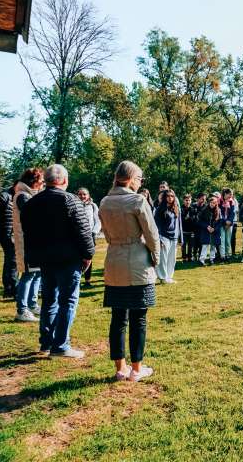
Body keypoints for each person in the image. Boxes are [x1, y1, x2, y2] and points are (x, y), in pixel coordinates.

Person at [21, 164, 95, 358]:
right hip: (68, 259)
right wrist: (88, 255)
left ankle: (47, 342)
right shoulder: (71, 201)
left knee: (49, 300)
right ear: (64, 180)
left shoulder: (32, 203)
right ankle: (61, 345)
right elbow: (84, 231)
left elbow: (28, 233)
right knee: (68, 300)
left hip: (45, 259)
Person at [99, 161, 160, 381]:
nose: (141, 182)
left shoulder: (104, 202)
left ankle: (120, 368)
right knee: (138, 318)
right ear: (131, 178)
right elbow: (152, 235)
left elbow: (106, 234)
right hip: (137, 262)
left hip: (114, 260)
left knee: (118, 318)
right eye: (140, 178)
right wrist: (156, 258)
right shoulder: (137, 200)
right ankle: (136, 368)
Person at [13, 169, 44, 322]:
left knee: (37, 273)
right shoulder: (23, 196)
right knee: (27, 274)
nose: (43, 183)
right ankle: (22, 310)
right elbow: (33, 216)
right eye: (41, 180)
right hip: (27, 242)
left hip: (35, 241)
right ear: (33, 181)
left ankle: (32, 304)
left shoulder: (30, 195)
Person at [153, 189, 182, 284]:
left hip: (173, 237)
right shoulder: (159, 209)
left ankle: (169, 277)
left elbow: (178, 224)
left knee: (172, 259)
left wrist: (179, 237)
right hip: (163, 236)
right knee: (163, 258)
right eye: (168, 196)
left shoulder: (175, 208)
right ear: (165, 197)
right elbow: (156, 226)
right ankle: (162, 277)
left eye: (172, 196)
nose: (170, 198)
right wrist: (158, 239)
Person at [76, 188, 101, 289]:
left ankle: (87, 281)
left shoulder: (93, 206)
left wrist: (94, 232)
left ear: (88, 195)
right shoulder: (74, 205)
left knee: (88, 258)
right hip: (77, 237)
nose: (82, 196)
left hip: (90, 236)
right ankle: (76, 280)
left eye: (84, 194)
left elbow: (98, 221)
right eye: (80, 194)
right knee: (77, 259)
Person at [0, 182, 17, 299]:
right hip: (5, 233)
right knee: (12, 261)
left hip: (10, 233)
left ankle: (9, 289)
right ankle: (10, 289)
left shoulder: (15, 197)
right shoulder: (5, 196)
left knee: (11, 260)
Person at [198, 196, 222, 266]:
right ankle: (202, 260)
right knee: (205, 245)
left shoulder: (218, 210)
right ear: (209, 203)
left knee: (213, 245)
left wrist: (214, 229)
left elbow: (220, 222)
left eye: (214, 203)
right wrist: (207, 226)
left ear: (216, 203)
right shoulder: (204, 210)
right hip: (206, 231)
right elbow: (200, 221)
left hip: (214, 231)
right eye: (211, 203)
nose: (212, 204)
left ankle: (212, 259)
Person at [218, 188, 236, 261]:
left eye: (231, 195)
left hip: (229, 224)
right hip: (221, 223)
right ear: (225, 194)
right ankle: (222, 256)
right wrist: (225, 221)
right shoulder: (219, 201)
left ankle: (228, 255)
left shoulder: (232, 202)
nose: (231, 196)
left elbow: (233, 213)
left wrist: (229, 222)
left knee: (228, 240)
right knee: (222, 240)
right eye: (230, 194)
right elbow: (219, 213)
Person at [180, 194, 197, 263]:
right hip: (183, 231)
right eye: (186, 200)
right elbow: (180, 220)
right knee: (183, 246)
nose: (187, 202)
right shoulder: (180, 209)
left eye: (189, 200)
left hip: (191, 231)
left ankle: (190, 257)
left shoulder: (193, 209)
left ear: (191, 201)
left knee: (191, 246)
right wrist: (185, 218)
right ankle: (184, 258)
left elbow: (195, 219)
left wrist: (189, 218)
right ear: (183, 201)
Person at [191, 193, 207, 262]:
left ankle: (200, 256)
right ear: (198, 199)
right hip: (194, 227)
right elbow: (192, 216)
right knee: (195, 243)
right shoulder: (193, 206)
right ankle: (194, 255)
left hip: (202, 228)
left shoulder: (206, 207)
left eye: (205, 199)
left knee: (201, 242)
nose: (204, 200)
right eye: (202, 199)